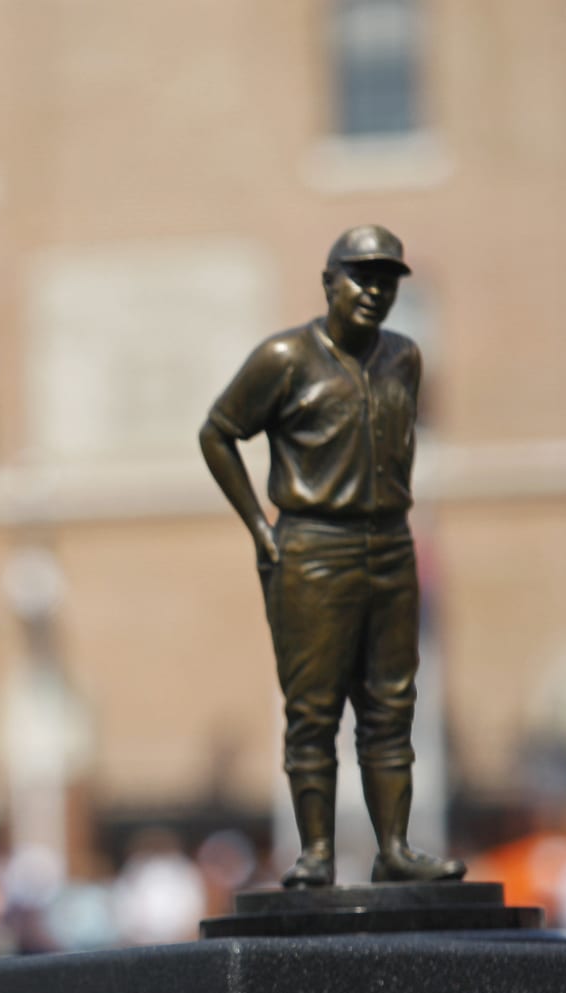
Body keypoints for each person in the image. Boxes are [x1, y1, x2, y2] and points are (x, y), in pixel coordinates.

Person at [197, 223, 464, 887]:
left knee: (391, 705)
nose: (374, 292)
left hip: (392, 544)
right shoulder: (286, 358)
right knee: (313, 709)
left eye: (387, 281)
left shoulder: (405, 357)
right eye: (360, 277)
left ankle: (394, 848)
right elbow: (219, 432)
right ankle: (316, 854)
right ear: (328, 282)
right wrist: (261, 530)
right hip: (315, 546)